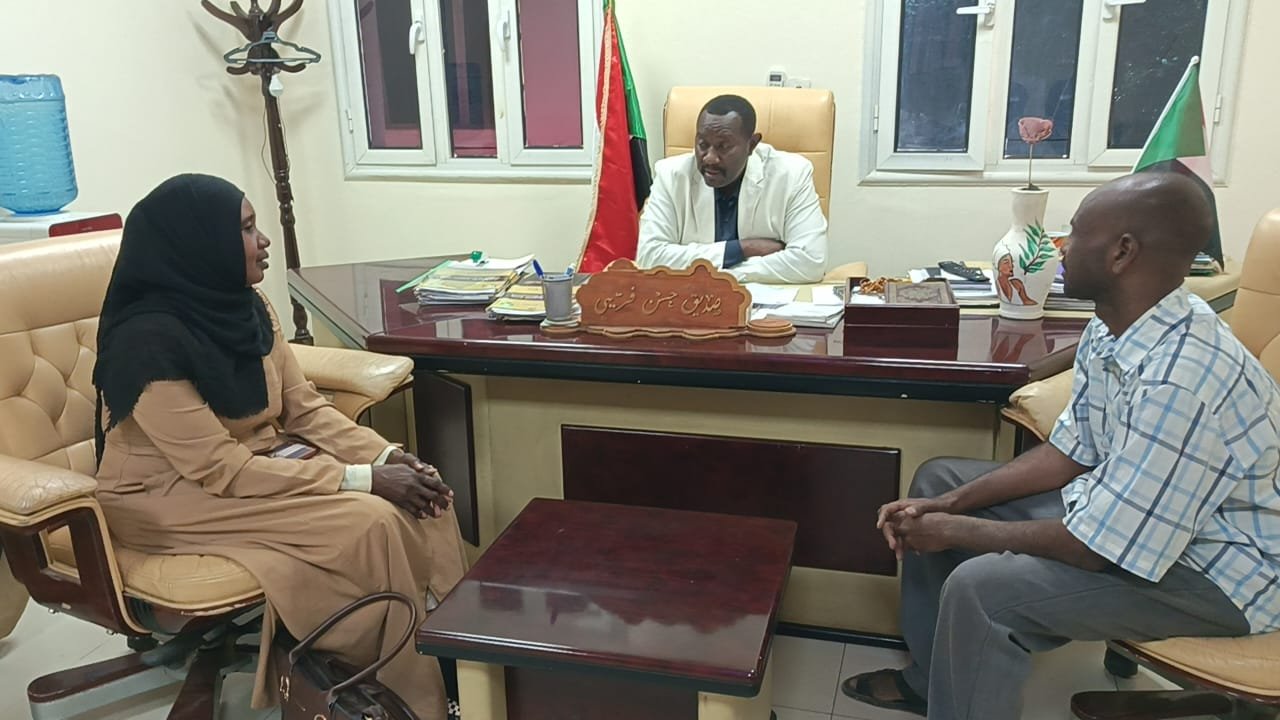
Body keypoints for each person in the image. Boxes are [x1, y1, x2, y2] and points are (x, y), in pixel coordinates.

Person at [842, 173, 1280, 720]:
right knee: (939, 481)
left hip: (1219, 575)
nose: (1061, 248)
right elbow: (1070, 452)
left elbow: (1097, 548)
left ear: (1122, 253)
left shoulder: (1182, 380)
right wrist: (947, 505)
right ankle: (935, 681)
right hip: (1143, 524)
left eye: (1075, 232)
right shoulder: (1117, 326)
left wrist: (956, 530)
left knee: (982, 590)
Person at [92, 174, 468, 720]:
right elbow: (220, 469)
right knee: (369, 523)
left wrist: (385, 456)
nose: (263, 239)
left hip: (256, 465)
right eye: (246, 229)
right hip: (168, 495)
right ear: (201, 245)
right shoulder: (144, 345)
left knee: (427, 496)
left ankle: (457, 667)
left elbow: (304, 408)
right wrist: (364, 481)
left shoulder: (247, 306)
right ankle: (402, 699)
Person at [635, 94, 828, 283]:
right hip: (690, 299)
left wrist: (720, 275)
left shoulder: (791, 174)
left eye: (723, 146)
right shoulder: (671, 175)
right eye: (702, 144)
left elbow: (811, 261)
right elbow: (649, 257)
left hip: (768, 301)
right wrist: (742, 249)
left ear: (751, 145)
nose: (710, 158)